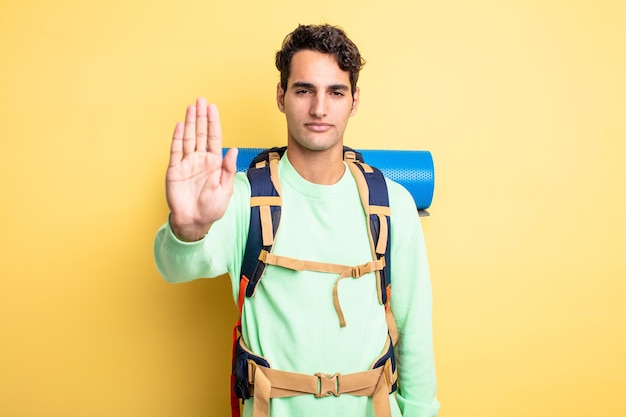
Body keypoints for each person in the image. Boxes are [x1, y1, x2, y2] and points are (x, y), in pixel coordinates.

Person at [154, 24, 440, 417]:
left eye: (335, 92)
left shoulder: (393, 203)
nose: (319, 109)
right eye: (304, 90)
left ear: (354, 101)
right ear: (281, 95)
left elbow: (415, 335)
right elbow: (176, 267)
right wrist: (187, 227)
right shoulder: (239, 197)